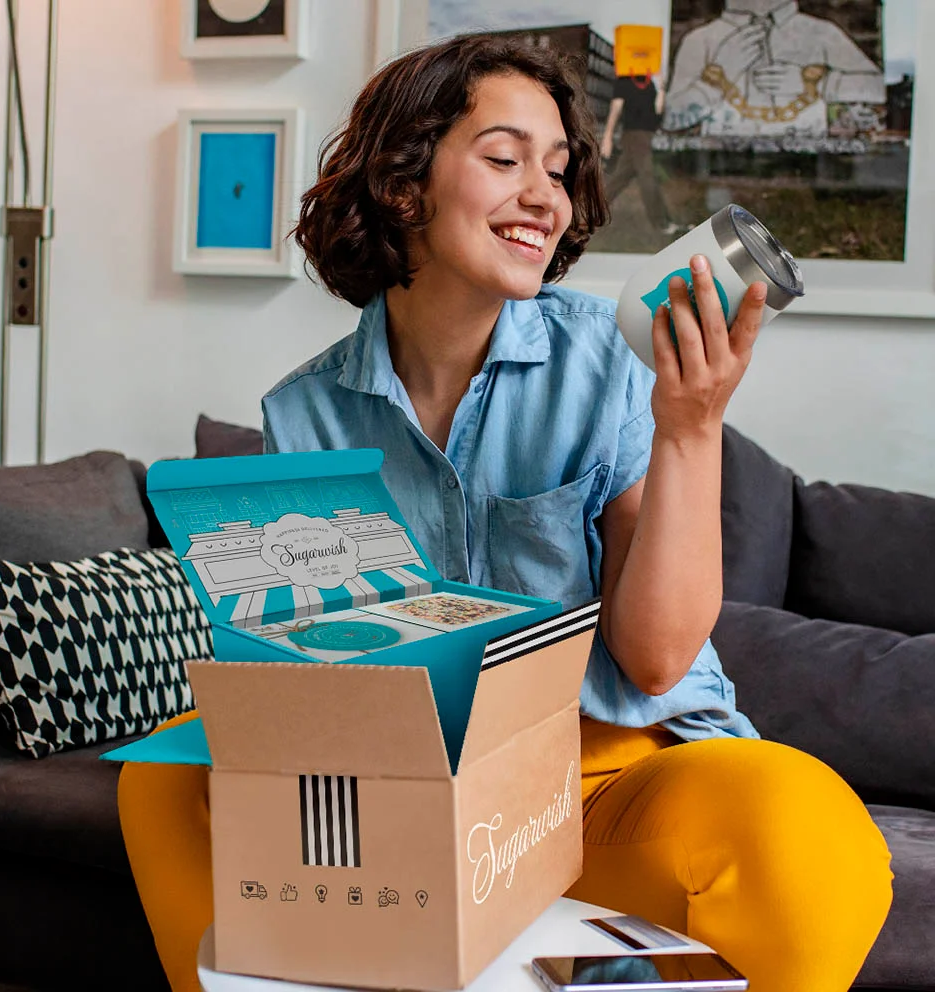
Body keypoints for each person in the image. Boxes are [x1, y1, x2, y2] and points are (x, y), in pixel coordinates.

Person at [118, 34, 892, 992]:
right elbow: (318, 679)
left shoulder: (611, 362)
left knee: (799, 821)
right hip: (418, 799)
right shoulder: (306, 411)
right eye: (505, 158)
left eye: (558, 170)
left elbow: (655, 659)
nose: (547, 195)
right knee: (160, 783)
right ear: (404, 184)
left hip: (608, 785)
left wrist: (690, 430)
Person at [664, 0, 885, 139]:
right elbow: (672, 118)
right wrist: (721, 72)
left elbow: (877, 89)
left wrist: (813, 82)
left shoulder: (822, 34)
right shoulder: (700, 41)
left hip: (810, 169)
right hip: (721, 170)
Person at [600, 72, 678, 236]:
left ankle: (590, 214)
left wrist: (662, 91)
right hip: (634, 135)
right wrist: (607, 136)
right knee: (647, 177)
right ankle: (661, 223)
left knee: (619, 179)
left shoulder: (650, 82)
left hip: (646, 136)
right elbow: (616, 110)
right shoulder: (625, 80)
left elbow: (657, 112)